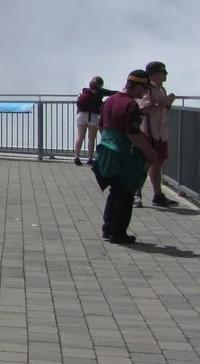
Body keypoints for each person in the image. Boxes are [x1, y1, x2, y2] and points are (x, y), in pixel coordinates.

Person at [93, 70, 157, 245]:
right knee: (125, 193)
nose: (145, 93)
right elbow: (133, 134)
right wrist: (150, 153)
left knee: (115, 191)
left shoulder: (110, 100)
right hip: (123, 155)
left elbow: (101, 127)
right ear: (137, 86)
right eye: (144, 88)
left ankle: (107, 228)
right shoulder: (130, 105)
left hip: (107, 152)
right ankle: (118, 232)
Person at [137, 61, 178, 208]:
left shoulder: (161, 89)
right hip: (148, 131)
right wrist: (165, 102)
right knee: (146, 163)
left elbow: (163, 109)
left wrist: (168, 103)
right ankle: (137, 194)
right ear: (154, 73)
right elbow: (143, 108)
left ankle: (157, 195)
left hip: (160, 133)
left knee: (158, 163)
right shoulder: (147, 89)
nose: (165, 74)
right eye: (163, 71)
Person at [73, 77, 116, 167]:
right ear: (100, 85)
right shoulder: (100, 92)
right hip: (93, 116)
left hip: (81, 115)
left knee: (80, 137)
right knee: (91, 138)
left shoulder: (85, 92)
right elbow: (112, 93)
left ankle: (76, 157)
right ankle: (90, 159)